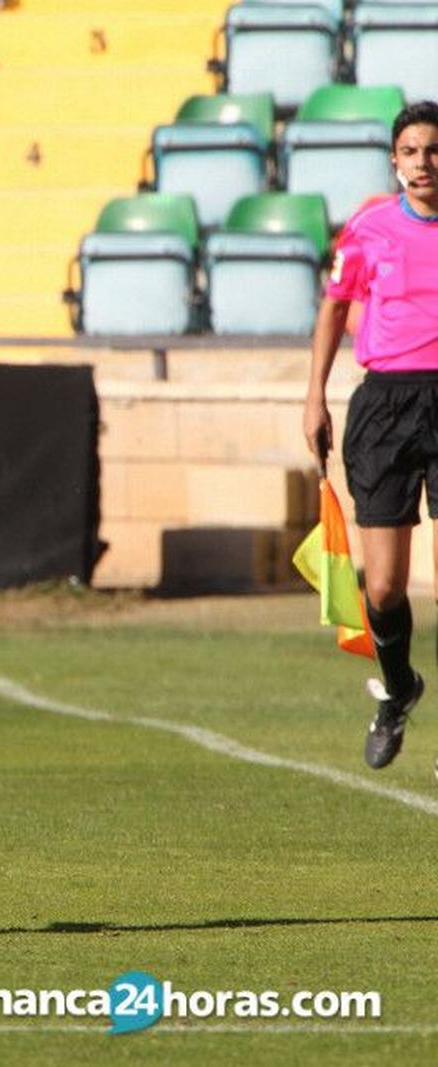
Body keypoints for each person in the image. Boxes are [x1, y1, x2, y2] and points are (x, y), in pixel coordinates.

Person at [305, 101, 438, 773]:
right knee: (383, 588)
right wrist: (313, 397)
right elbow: (333, 308)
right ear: (395, 160)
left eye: (434, 150)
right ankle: (399, 688)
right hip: (384, 407)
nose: (424, 162)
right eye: (412, 151)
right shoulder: (370, 227)